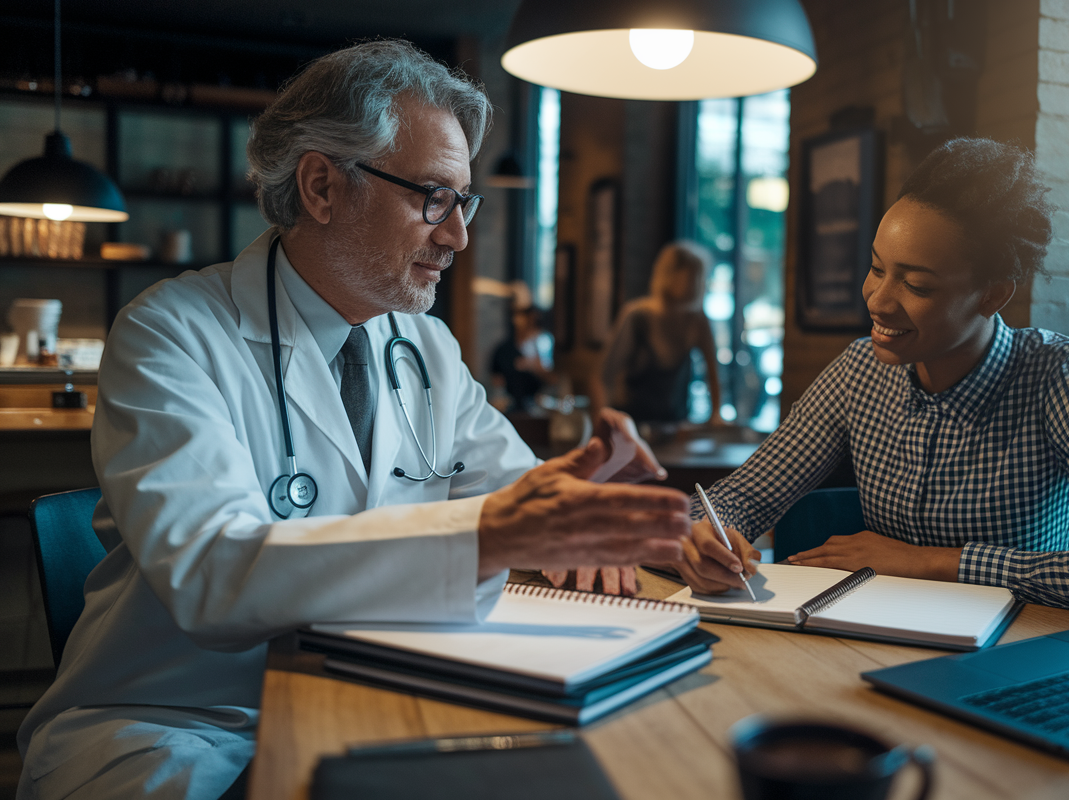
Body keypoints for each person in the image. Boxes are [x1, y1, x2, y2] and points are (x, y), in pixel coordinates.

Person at [17, 41, 689, 800]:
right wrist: (496, 531)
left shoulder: (424, 346)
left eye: (463, 201)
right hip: (182, 724)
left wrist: (620, 513)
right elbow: (209, 572)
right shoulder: (170, 332)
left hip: (375, 695)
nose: (457, 236)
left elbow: (526, 496)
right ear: (321, 186)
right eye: (432, 197)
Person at [669, 138, 1069, 620]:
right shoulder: (858, 371)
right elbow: (743, 497)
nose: (878, 300)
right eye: (876, 268)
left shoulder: (1061, 377)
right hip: (870, 635)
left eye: (916, 284)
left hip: (1010, 651)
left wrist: (936, 562)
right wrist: (703, 537)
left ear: (992, 294)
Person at [591, 240, 723, 425]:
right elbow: (603, 377)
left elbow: (713, 373)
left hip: (673, 425)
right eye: (692, 276)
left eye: (700, 277)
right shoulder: (637, 316)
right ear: (670, 275)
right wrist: (605, 423)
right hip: (631, 422)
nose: (697, 283)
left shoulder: (697, 321)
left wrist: (716, 414)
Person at [490, 282, 556, 414]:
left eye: (524, 314)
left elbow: (554, 380)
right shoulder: (503, 350)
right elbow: (496, 382)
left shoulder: (543, 344)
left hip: (538, 410)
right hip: (510, 410)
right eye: (517, 314)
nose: (519, 320)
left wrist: (533, 366)